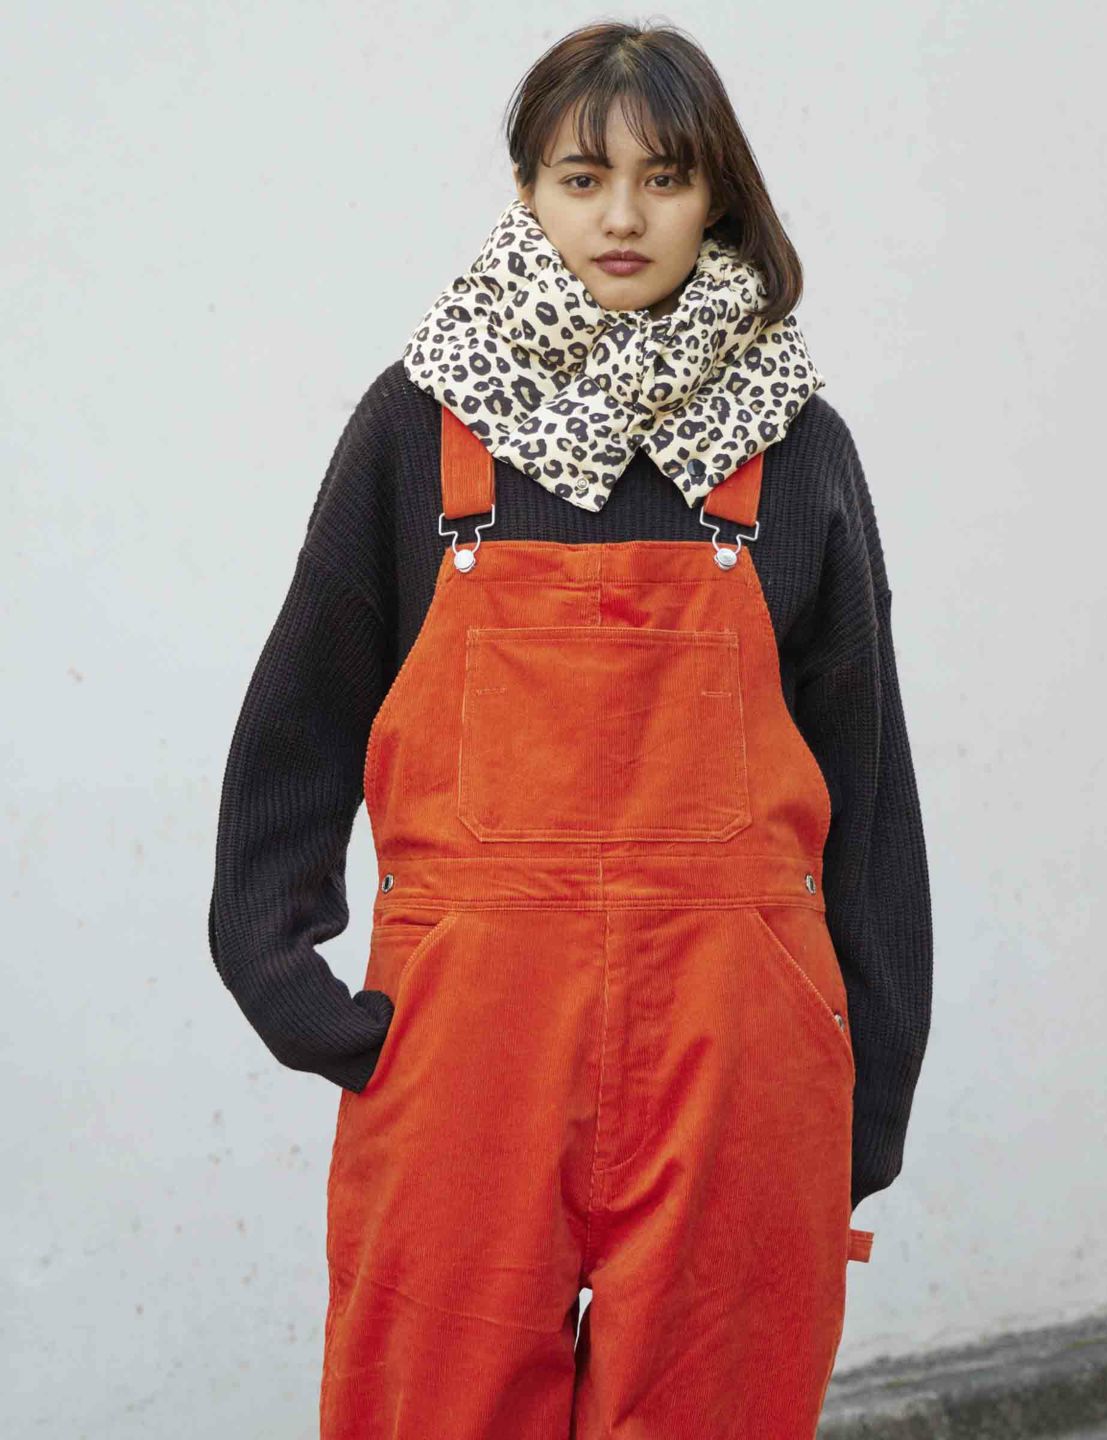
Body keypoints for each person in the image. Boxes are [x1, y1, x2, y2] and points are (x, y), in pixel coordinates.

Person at [207, 20, 933, 1438]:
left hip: (736, 1054)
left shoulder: (797, 446)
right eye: (582, 177)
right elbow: (300, 714)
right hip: (468, 1049)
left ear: (717, 195)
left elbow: (868, 783)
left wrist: (875, 1080)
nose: (621, 217)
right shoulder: (418, 426)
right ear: (528, 192)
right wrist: (276, 964)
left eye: (664, 178)